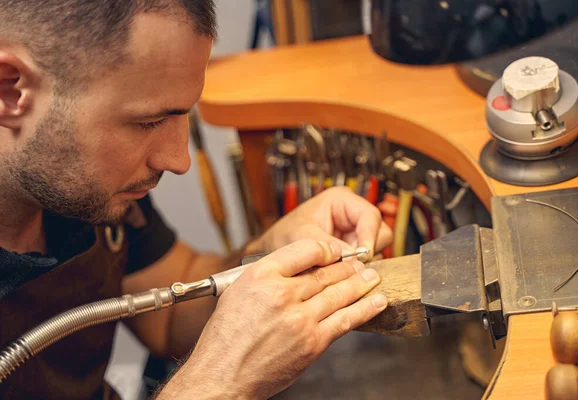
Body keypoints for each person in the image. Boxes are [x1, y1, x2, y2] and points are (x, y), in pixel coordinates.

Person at [0, 1, 393, 399]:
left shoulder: (80, 190)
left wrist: (263, 255)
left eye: (181, 115)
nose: (178, 160)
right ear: (10, 89)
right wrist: (214, 385)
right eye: (148, 122)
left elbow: (168, 318)